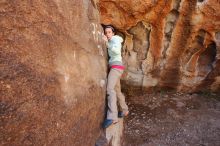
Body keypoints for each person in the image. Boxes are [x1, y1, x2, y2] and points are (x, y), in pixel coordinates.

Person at [102, 25, 129, 129]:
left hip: (116, 67)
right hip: (116, 67)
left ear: (113, 33)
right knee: (117, 90)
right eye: (106, 32)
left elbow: (117, 51)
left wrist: (107, 43)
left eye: (109, 32)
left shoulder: (115, 39)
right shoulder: (112, 40)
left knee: (110, 89)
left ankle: (112, 117)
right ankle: (125, 110)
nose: (107, 34)